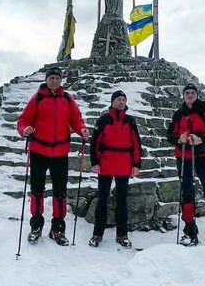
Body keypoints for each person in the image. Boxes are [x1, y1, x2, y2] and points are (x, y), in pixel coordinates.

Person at [17, 67, 90, 246]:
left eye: (57, 78)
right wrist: (24, 130)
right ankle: (36, 226)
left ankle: (57, 229)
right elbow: (23, 120)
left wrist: (82, 130)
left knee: (60, 192)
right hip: (38, 151)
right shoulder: (37, 98)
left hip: (60, 153)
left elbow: (76, 119)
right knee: (37, 190)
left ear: (60, 80)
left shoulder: (67, 99)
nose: (55, 81)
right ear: (47, 79)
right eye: (52, 78)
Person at [167, 83, 205, 246]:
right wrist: (179, 139)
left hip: (202, 154)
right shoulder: (179, 114)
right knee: (187, 192)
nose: (189, 95)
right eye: (187, 92)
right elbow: (170, 135)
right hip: (183, 156)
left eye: (192, 92)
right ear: (183, 95)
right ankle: (189, 230)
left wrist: (201, 139)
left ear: (196, 94)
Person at [88, 90, 142, 248]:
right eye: (118, 99)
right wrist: (94, 162)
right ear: (112, 102)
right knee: (102, 200)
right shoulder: (104, 119)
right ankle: (97, 234)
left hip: (124, 164)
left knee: (122, 201)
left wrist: (136, 164)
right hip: (105, 163)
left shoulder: (130, 121)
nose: (121, 102)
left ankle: (122, 234)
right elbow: (94, 143)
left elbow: (136, 144)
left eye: (124, 99)